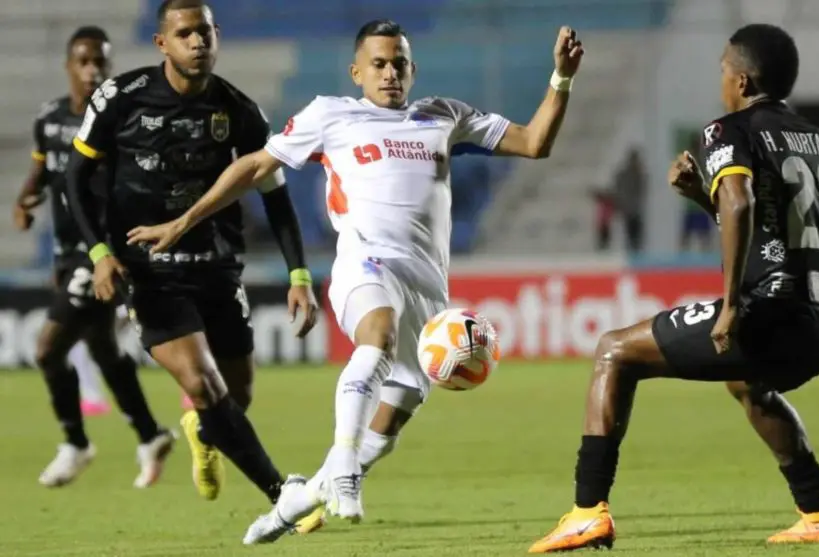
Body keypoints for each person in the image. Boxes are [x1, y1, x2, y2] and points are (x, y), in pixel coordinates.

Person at [126, 18, 584, 544]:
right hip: (365, 264)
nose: (390, 73)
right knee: (379, 337)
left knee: (389, 425)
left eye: (399, 64)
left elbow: (534, 142)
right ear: (357, 72)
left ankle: (302, 496)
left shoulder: (442, 115)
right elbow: (254, 166)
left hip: (429, 292)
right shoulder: (331, 115)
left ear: (413, 70)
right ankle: (341, 462)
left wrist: (561, 79)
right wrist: (184, 221)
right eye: (379, 64)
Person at [528, 23, 819, 553]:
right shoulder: (813, 138)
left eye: (724, 69)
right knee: (748, 383)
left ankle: (587, 512)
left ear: (743, 81)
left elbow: (742, 204)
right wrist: (702, 197)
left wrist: (730, 306)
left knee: (614, 351)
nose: (720, 78)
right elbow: (770, 225)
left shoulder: (726, 130)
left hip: (775, 310)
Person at [64, 0, 319, 507]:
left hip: (218, 267)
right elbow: (74, 178)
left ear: (217, 36)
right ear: (163, 43)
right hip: (149, 271)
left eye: (205, 32)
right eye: (185, 34)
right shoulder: (121, 99)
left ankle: (204, 436)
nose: (197, 42)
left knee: (235, 396)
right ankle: (281, 494)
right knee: (203, 384)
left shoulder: (241, 113)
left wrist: (299, 275)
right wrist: (98, 253)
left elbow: (276, 197)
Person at [13, 26, 175, 489]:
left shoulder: (119, 121)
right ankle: (149, 433)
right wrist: (24, 202)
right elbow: (43, 171)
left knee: (48, 350)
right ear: (69, 66)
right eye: (83, 62)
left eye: (100, 63)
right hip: (66, 253)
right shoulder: (49, 119)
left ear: (109, 66)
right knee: (103, 347)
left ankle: (75, 443)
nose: (92, 71)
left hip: (101, 251)